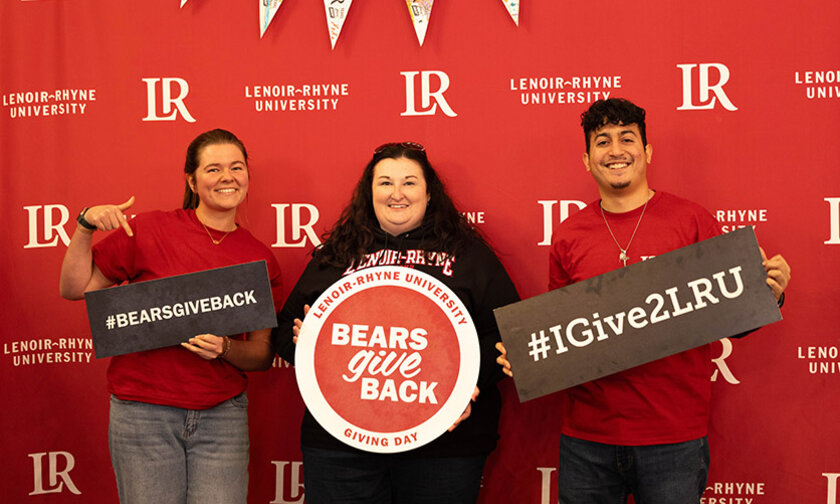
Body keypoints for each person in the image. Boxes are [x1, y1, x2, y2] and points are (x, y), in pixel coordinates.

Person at [496, 98, 791, 503]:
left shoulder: (692, 221)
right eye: (602, 141)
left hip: (674, 438)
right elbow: (562, 332)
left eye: (627, 138)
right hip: (587, 440)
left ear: (647, 151)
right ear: (587, 159)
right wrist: (531, 356)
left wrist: (770, 294)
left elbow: (731, 317)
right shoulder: (569, 235)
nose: (615, 150)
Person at [273, 142, 520, 504]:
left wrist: (463, 385)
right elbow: (284, 333)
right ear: (369, 192)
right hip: (343, 445)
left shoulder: (468, 254)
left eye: (409, 183)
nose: (397, 194)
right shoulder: (339, 253)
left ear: (429, 192)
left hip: (445, 446)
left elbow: (506, 336)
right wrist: (306, 341)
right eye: (385, 183)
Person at [59, 129, 282, 504]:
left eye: (236, 167)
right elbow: (74, 289)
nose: (227, 177)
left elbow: (261, 354)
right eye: (213, 169)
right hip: (143, 413)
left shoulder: (259, 257)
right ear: (192, 181)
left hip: (221, 416)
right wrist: (85, 225)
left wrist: (225, 348)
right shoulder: (148, 229)